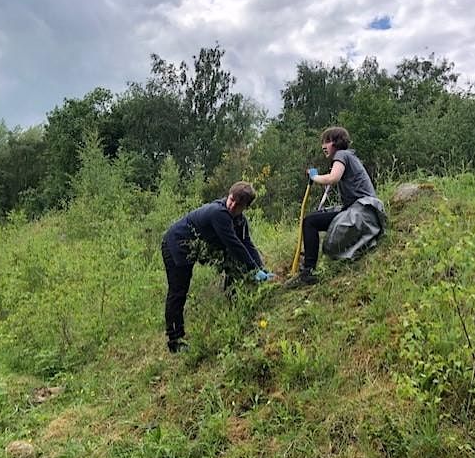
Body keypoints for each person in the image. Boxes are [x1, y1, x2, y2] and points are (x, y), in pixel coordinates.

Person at [161, 181, 273, 353]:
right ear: (228, 196)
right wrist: (252, 269)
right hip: (176, 244)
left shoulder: (240, 221)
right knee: (178, 290)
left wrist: (261, 268)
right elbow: (233, 244)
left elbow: (246, 243)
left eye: (238, 204)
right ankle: (174, 340)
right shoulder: (218, 213)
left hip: (191, 247)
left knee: (233, 264)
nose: (232, 205)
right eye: (231, 200)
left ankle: (234, 307)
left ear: (245, 207)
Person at [285, 126, 383, 289]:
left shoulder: (341, 155)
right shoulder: (348, 157)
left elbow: (333, 178)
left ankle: (308, 272)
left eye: (328, 141)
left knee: (309, 222)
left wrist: (314, 177)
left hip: (362, 210)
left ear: (337, 143)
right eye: (323, 142)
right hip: (360, 210)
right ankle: (308, 263)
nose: (324, 146)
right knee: (314, 218)